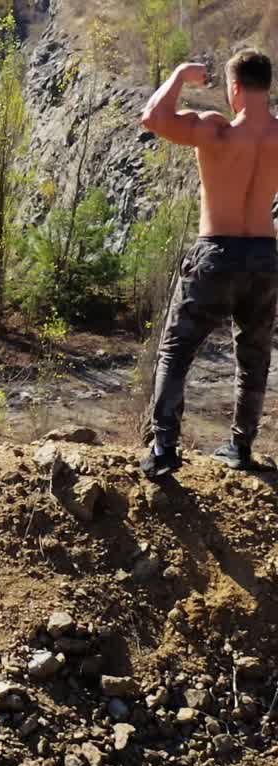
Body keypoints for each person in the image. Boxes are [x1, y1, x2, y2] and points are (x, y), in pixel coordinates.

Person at [139, 49, 278, 479]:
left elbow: (152, 118)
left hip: (216, 252)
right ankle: (240, 447)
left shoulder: (216, 130)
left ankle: (164, 448)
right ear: (267, 86)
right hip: (264, 256)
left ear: (234, 88)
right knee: (253, 358)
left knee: (176, 351)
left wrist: (180, 75)